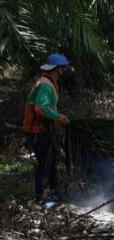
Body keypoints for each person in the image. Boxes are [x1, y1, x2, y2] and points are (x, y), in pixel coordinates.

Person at [22, 53, 71, 207]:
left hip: (44, 129)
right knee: (44, 163)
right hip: (39, 131)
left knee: (51, 161)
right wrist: (59, 117)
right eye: (63, 68)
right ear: (58, 69)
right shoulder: (44, 85)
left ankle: (54, 192)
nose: (64, 71)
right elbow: (40, 108)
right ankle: (39, 198)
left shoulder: (48, 82)